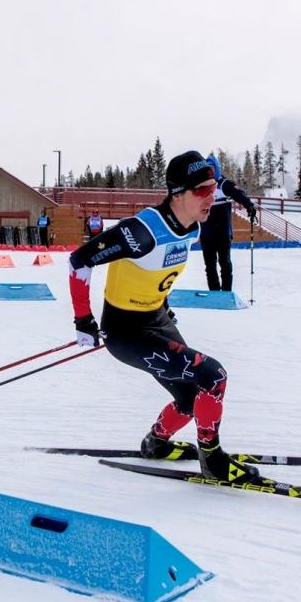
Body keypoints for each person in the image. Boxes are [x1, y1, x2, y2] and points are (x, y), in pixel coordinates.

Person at [67, 150, 260, 485]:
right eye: (201, 190)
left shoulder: (192, 228)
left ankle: (155, 443)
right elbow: (79, 260)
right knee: (213, 377)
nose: (210, 197)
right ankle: (212, 461)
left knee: (189, 398)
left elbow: (159, 269)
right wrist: (83, 321)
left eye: (213, 188)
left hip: (155, 317)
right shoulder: (141, 232)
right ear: (178, 194)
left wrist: (162, 300)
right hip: (126, 331)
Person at [199, 154, 258, 292]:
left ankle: (226, 293)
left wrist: (249, 205)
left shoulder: (224, 184)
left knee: (225, 264)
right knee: (210, 266)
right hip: (206, 233)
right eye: (207, 169)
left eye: (212, 169)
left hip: (222, 233)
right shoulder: (201, 187)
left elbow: (238, 194)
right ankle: (214, 293)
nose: (210, 172)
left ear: (217, 169)